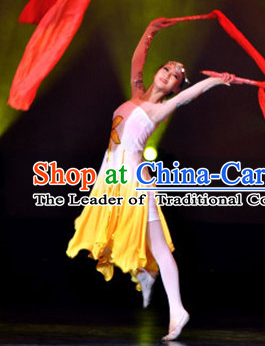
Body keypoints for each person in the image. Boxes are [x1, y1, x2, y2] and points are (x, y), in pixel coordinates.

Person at [66, 17, 234, 341]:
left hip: (132, 178)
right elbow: (136, 62)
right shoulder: (137, 94)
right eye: (167, 67)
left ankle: (176, 307)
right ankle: (148, 278)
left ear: (174, 87)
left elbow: (188, 96)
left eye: (175, 75)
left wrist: (215, 81)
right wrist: (149, 33)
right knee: (116, 233)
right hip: (111, 175)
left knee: (156, 244)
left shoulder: (158, 109)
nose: (168, 73)